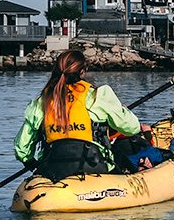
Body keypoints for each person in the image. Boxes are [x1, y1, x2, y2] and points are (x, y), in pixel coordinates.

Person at [14, 49, 149, 181]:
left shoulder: (42, 101)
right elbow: (131, 128)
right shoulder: (98, 96)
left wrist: (31, 163)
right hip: (95, 166)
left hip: (52, 169)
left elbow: (22, 148)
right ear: (82, 72)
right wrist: (121, 111)